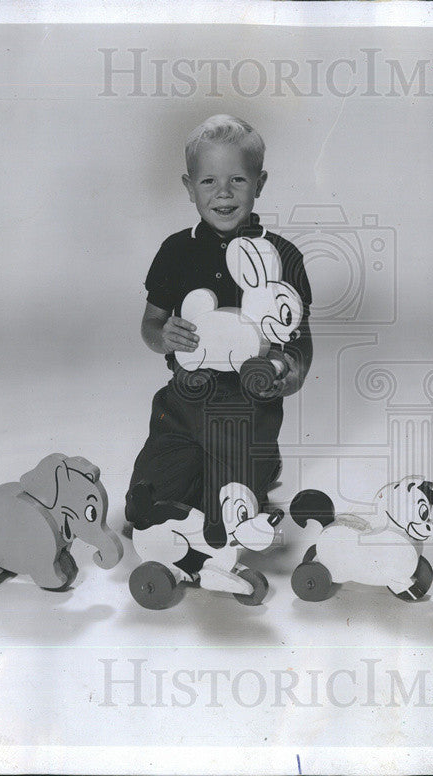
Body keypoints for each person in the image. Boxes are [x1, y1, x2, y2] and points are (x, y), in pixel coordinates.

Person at [125, 115, 313, 535]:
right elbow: (151, 325)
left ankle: (260, 463)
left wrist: (292, 375)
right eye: (208, 182)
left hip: (248, 405)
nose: (223, 193)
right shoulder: (176, 251)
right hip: (183, 402)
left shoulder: (283, 255)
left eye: (238, 181)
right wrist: (163, 336)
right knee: (145, 511)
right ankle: (196, 471)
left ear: (259, 183)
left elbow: (300, 340)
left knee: (224, 521)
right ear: (189, 187)